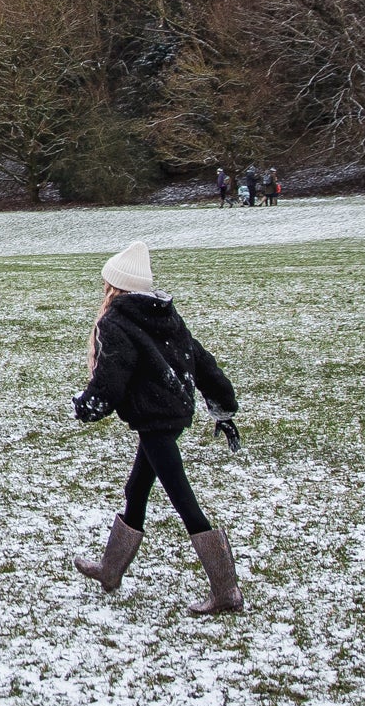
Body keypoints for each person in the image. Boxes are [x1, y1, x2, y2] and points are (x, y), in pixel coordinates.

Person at [69, 240, 244, 613]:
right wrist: (223, 406)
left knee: (184, 501)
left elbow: (111, 379)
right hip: (173, 414)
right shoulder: (162, 312)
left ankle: (226, 591)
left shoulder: (117, 321)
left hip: (154, 419)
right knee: (137, 487)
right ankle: (111, 570)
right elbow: (201, 360)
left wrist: (87, 407)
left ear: (115, 286)